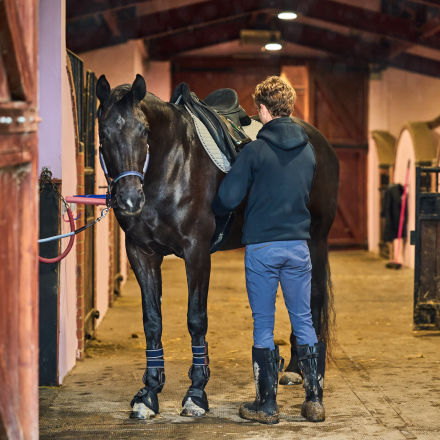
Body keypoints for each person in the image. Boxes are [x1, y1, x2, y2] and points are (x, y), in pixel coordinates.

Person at [212, 76, 325, 424]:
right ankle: (314, 401)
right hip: (298, 248)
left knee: (263, 323)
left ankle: (267, 405)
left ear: (262, 110)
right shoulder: (308, 149)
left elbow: (227, 199)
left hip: (263, 248)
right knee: (303, 319)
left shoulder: (255, 151)